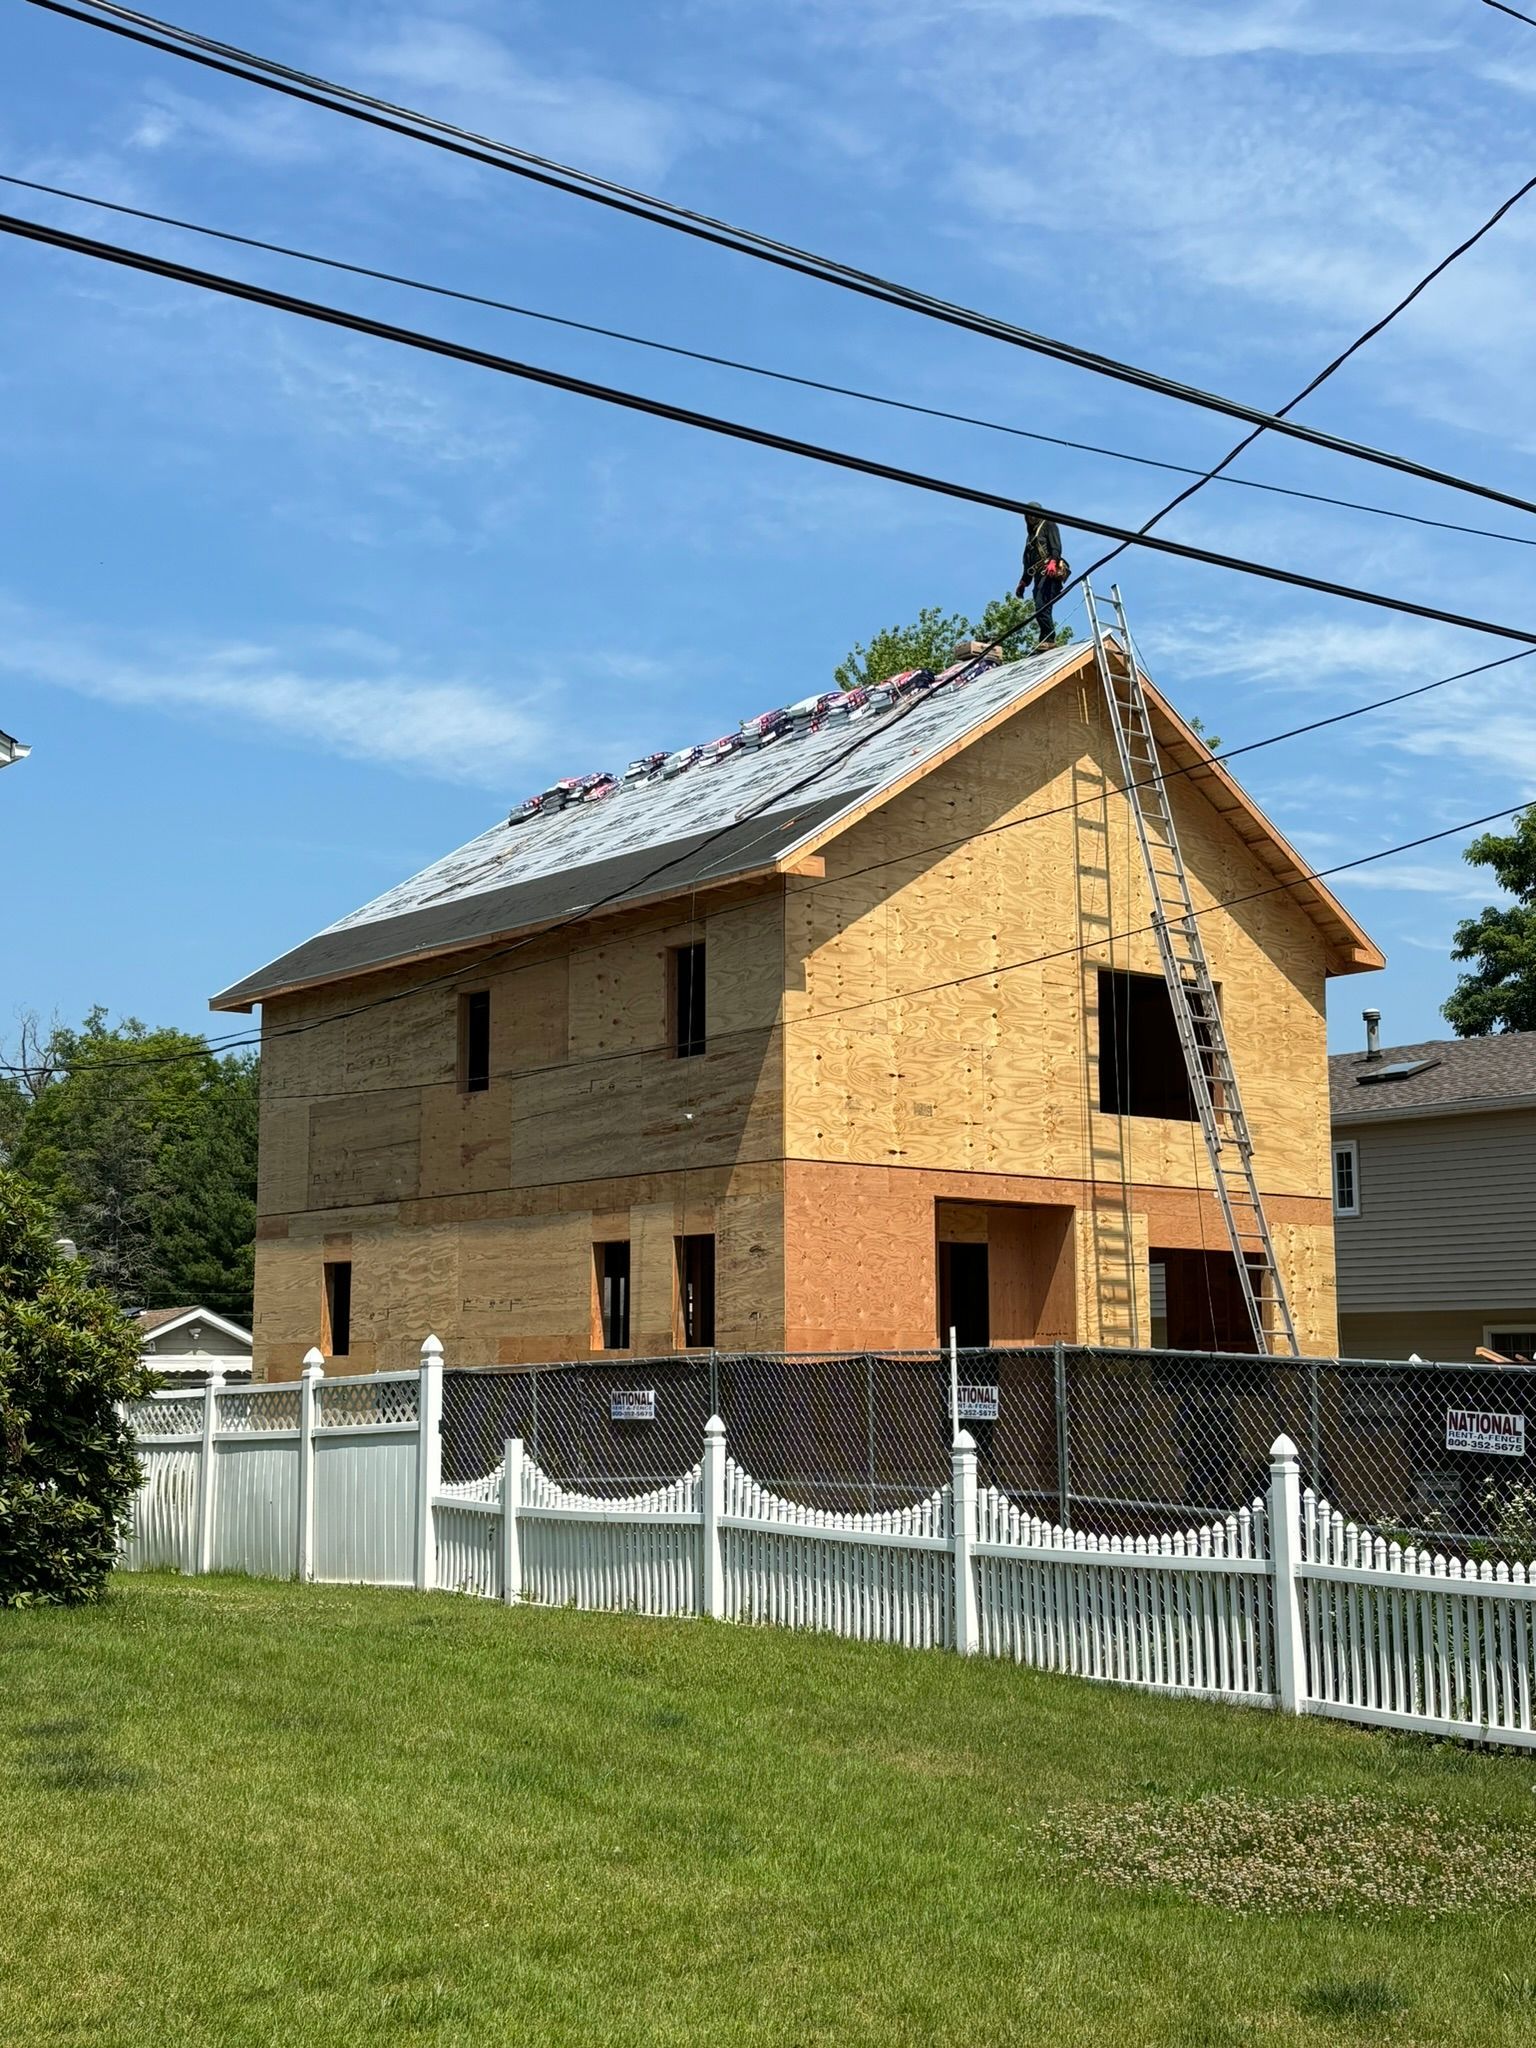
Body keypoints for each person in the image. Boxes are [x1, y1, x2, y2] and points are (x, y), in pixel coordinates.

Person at [1016, 502, 1068, 646]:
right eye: (1027, 515)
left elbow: (1056, 547)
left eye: (1032, 514)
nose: (1030, 517)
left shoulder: (1048, 524)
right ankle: (1046, 639)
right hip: (1038, 574)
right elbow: (1028, 563)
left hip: (1049, 572)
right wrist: (1023, 582)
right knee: (1041, 607)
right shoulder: (1030, 538)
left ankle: (1048, 639)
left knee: (1042, 605)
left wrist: (1053, 561)